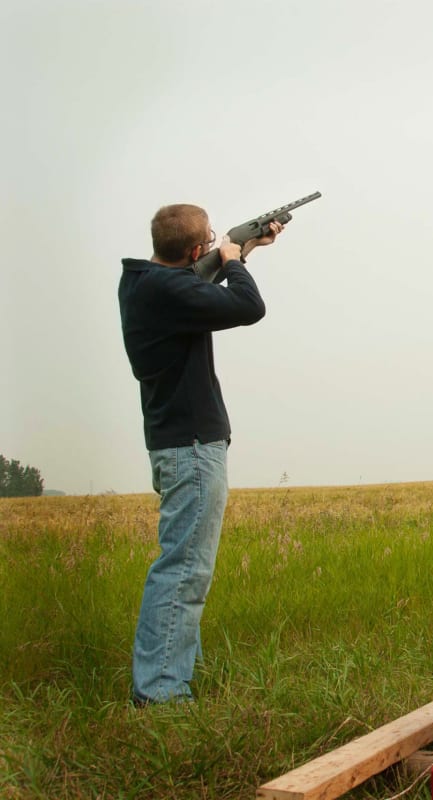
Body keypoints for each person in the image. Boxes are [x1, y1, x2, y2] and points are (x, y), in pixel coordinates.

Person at [118, 204, 283, 704]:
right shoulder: (169, 290)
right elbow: (248, 307)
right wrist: (233, 259)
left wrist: (247, 246)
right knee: (184, 569)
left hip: (178, 442)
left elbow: (199, 289)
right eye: (207, 241)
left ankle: (171, 671)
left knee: (184, 566)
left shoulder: (143, 282)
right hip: (190, 446)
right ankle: (162, 693)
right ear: (196, 249)